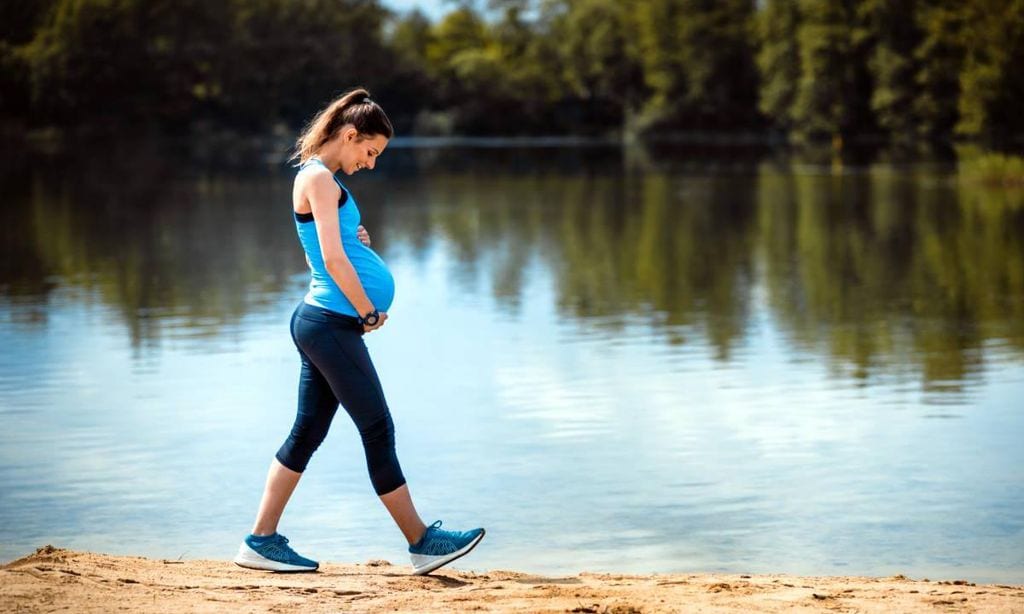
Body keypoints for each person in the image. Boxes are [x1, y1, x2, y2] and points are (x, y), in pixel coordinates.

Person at [233, 88, 484, 576]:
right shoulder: (321, 179)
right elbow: (330, 258)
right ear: (349, 135)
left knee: (306, 432)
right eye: (369, 152)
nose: (370, 164)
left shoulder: (319, 178)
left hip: (321, 322)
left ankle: (260, 541)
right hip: (330, 324)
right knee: (377, 427)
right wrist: (368, 311)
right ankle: (421, 542)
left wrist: (358, 238)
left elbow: (333, 242)